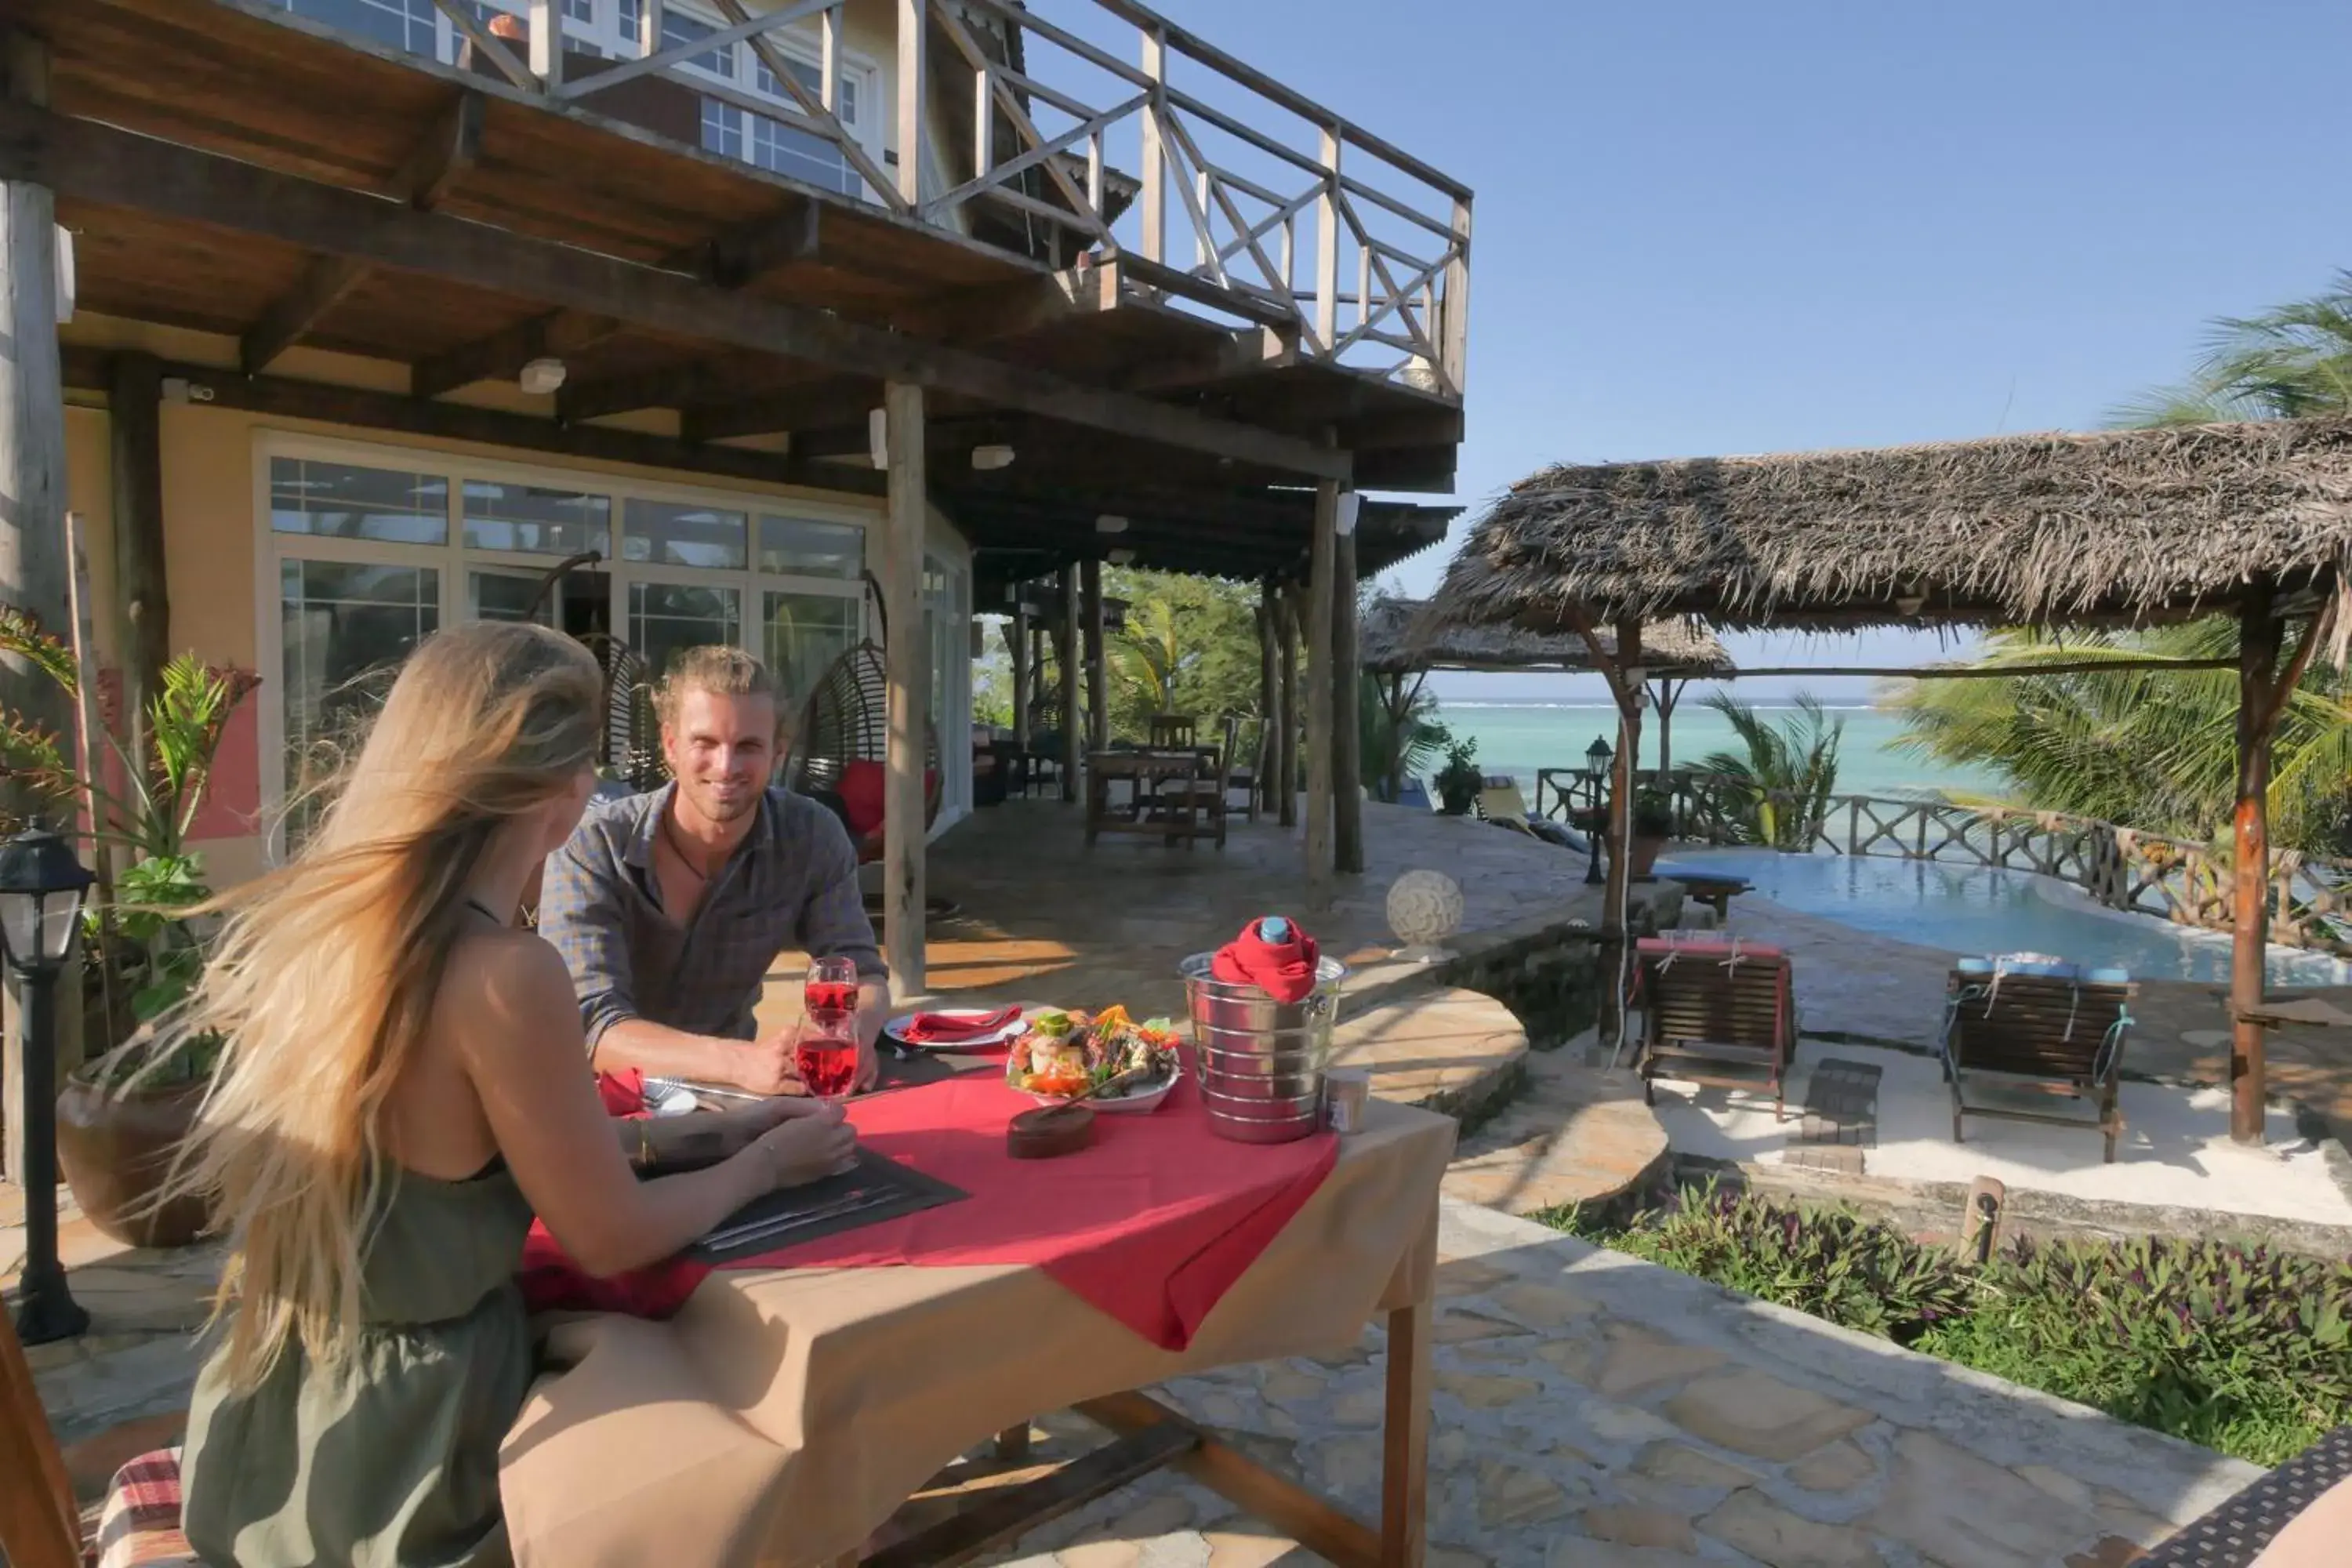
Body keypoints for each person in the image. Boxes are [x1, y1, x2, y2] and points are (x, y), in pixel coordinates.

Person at [167, 622, 858, 1568]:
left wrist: (723, 1129)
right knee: (760, 1441)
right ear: (567, 791)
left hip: (277, 1415)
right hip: (417, 1452)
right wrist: (769, 1160)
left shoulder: (338, 931)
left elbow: (493, 1152)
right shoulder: (504, 971)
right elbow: (609, 1237)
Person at [536, 645, 890, 1096]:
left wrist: (854, 1032)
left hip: (731, 1097)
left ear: (778, 753)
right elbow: (590, 1023)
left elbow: (860, 969)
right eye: (705, 742)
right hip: (598, 1101)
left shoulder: (810, 836)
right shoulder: (594, 844)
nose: (726, 767)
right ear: (670, 745)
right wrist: (741, 1061)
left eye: (748, 746)